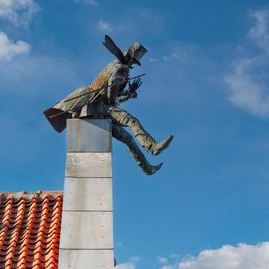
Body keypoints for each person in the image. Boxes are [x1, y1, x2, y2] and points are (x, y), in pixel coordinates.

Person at [44, 36, 173, 175]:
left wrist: (129, 93)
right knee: (131, 121)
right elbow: (112, 89)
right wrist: (113, 103)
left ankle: (147, 168)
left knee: (129, 139)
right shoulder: (121, 69)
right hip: (101, 107)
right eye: (134, 61)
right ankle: (152, 147)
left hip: (96, 109)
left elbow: (113, 93)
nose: (133, 64)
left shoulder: (114, 65)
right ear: (130, 57)